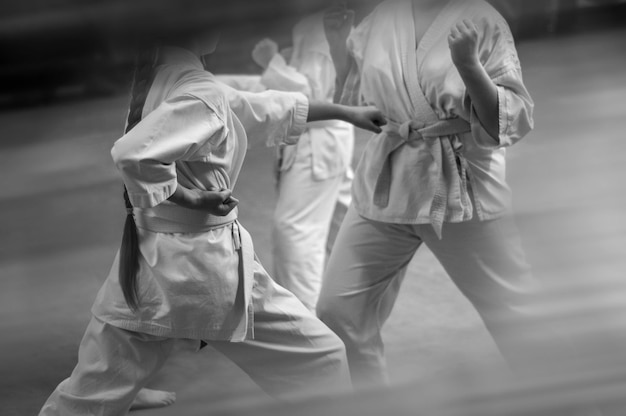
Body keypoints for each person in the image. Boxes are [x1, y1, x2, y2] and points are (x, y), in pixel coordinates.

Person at [39, 20, 387, 415]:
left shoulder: (163, 77)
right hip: (203, 265)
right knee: (323, 358)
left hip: (149, 259)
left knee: (91, 388)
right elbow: (131, 153)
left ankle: (123, 385)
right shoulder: (199, 91)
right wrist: (192, 198)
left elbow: (260, 106)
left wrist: (345, 111)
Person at [318, 0, 536, 389]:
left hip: (460, 185)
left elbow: (507, 124)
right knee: (339, 309)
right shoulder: (384, 15)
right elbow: (359, 95)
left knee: (513, 312)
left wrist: (468, 65)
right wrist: (338, 43)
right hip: (387, 180)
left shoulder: (482, 20)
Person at [249, 11, 355, 312]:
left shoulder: (322, 23)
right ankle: (340, 309)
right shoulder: (313, 21)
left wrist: (272, 61)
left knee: (296, 232)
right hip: (326, 138)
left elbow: (310, 94)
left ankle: (305, 319)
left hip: (317, 140)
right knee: (340, 224)